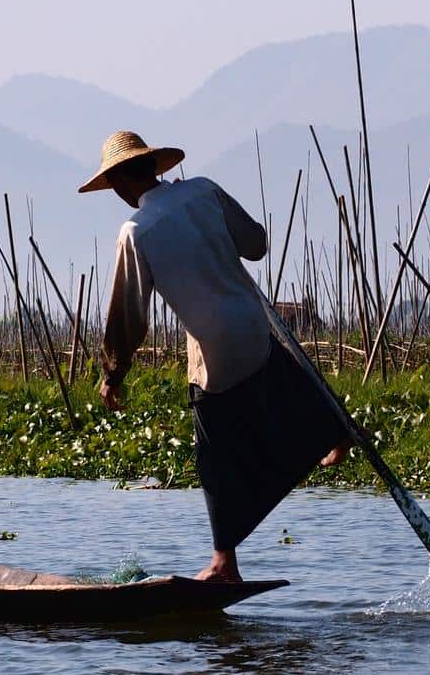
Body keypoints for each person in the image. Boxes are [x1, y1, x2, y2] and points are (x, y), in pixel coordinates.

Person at [82, 130, 347, 583]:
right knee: (274, 384)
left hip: (215, 344)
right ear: (155, 169)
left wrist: (113, 373)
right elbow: (257, 245)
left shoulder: (136, 231)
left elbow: (128, 313)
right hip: (253, 323)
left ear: (123, 185)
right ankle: (333, 428)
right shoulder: (203, 190)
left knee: (215, 454)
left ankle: (225, 564)